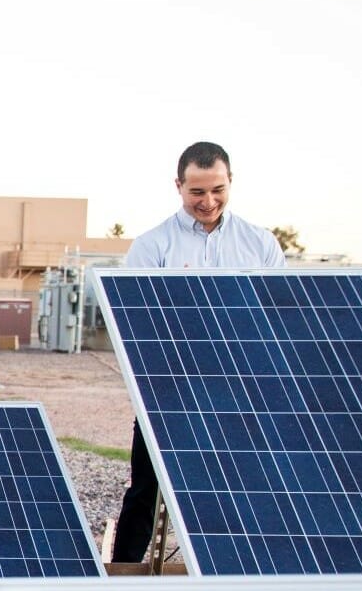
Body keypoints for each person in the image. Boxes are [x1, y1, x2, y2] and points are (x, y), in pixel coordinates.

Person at [108, 141, 284, 563]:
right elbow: (137, 327)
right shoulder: (153, 247)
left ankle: (237, 572)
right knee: (146, 491)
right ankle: (123, 579)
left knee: (238, 491)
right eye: (197, 192)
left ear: (230, 183)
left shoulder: (260, 245)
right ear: (178, 186)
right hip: (168, 392)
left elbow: (274, 322)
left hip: (239, 394)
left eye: (218, 190)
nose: (209, 201)